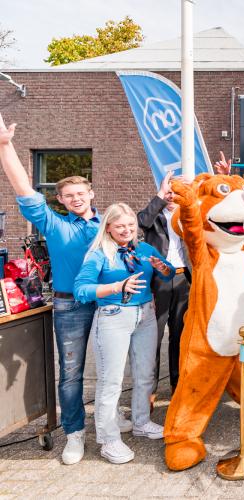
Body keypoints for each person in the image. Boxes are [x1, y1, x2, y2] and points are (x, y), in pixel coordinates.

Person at [0, 113, 106, 465]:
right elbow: (24, 190)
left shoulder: (110, 224)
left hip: (111, 305)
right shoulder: (56, 225)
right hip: (70, 306)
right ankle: (74, 433)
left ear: (92, 193)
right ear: (60, 200)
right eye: (68, 195)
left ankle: (109, 422)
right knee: (72, 373)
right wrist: (5, 146)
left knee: (112, 368)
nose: (76, 198)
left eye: (81, 192)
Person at [73, 203, 175, 464]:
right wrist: (117, 286)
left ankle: (141, 422)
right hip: (113, 318)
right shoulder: (99, 253)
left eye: (130, 226)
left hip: (146, 315)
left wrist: (163, 268)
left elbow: (169, 272)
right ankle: (108, 440)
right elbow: (81, 290)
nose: (127, 230)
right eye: (120, 226)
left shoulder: (144, 249)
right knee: (111, 381)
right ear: (108, 227)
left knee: (145, 374)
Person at [137, 172, 191, 403]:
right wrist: (159, 196)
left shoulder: (188, 216)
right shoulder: (154, 215)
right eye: (169, 191)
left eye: (175, 191)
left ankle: (177, 384)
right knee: (154, 335)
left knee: (179, 335)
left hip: (183, 279)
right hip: (159, 279)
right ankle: (149, 388)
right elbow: (142, 221)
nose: (172, 195)